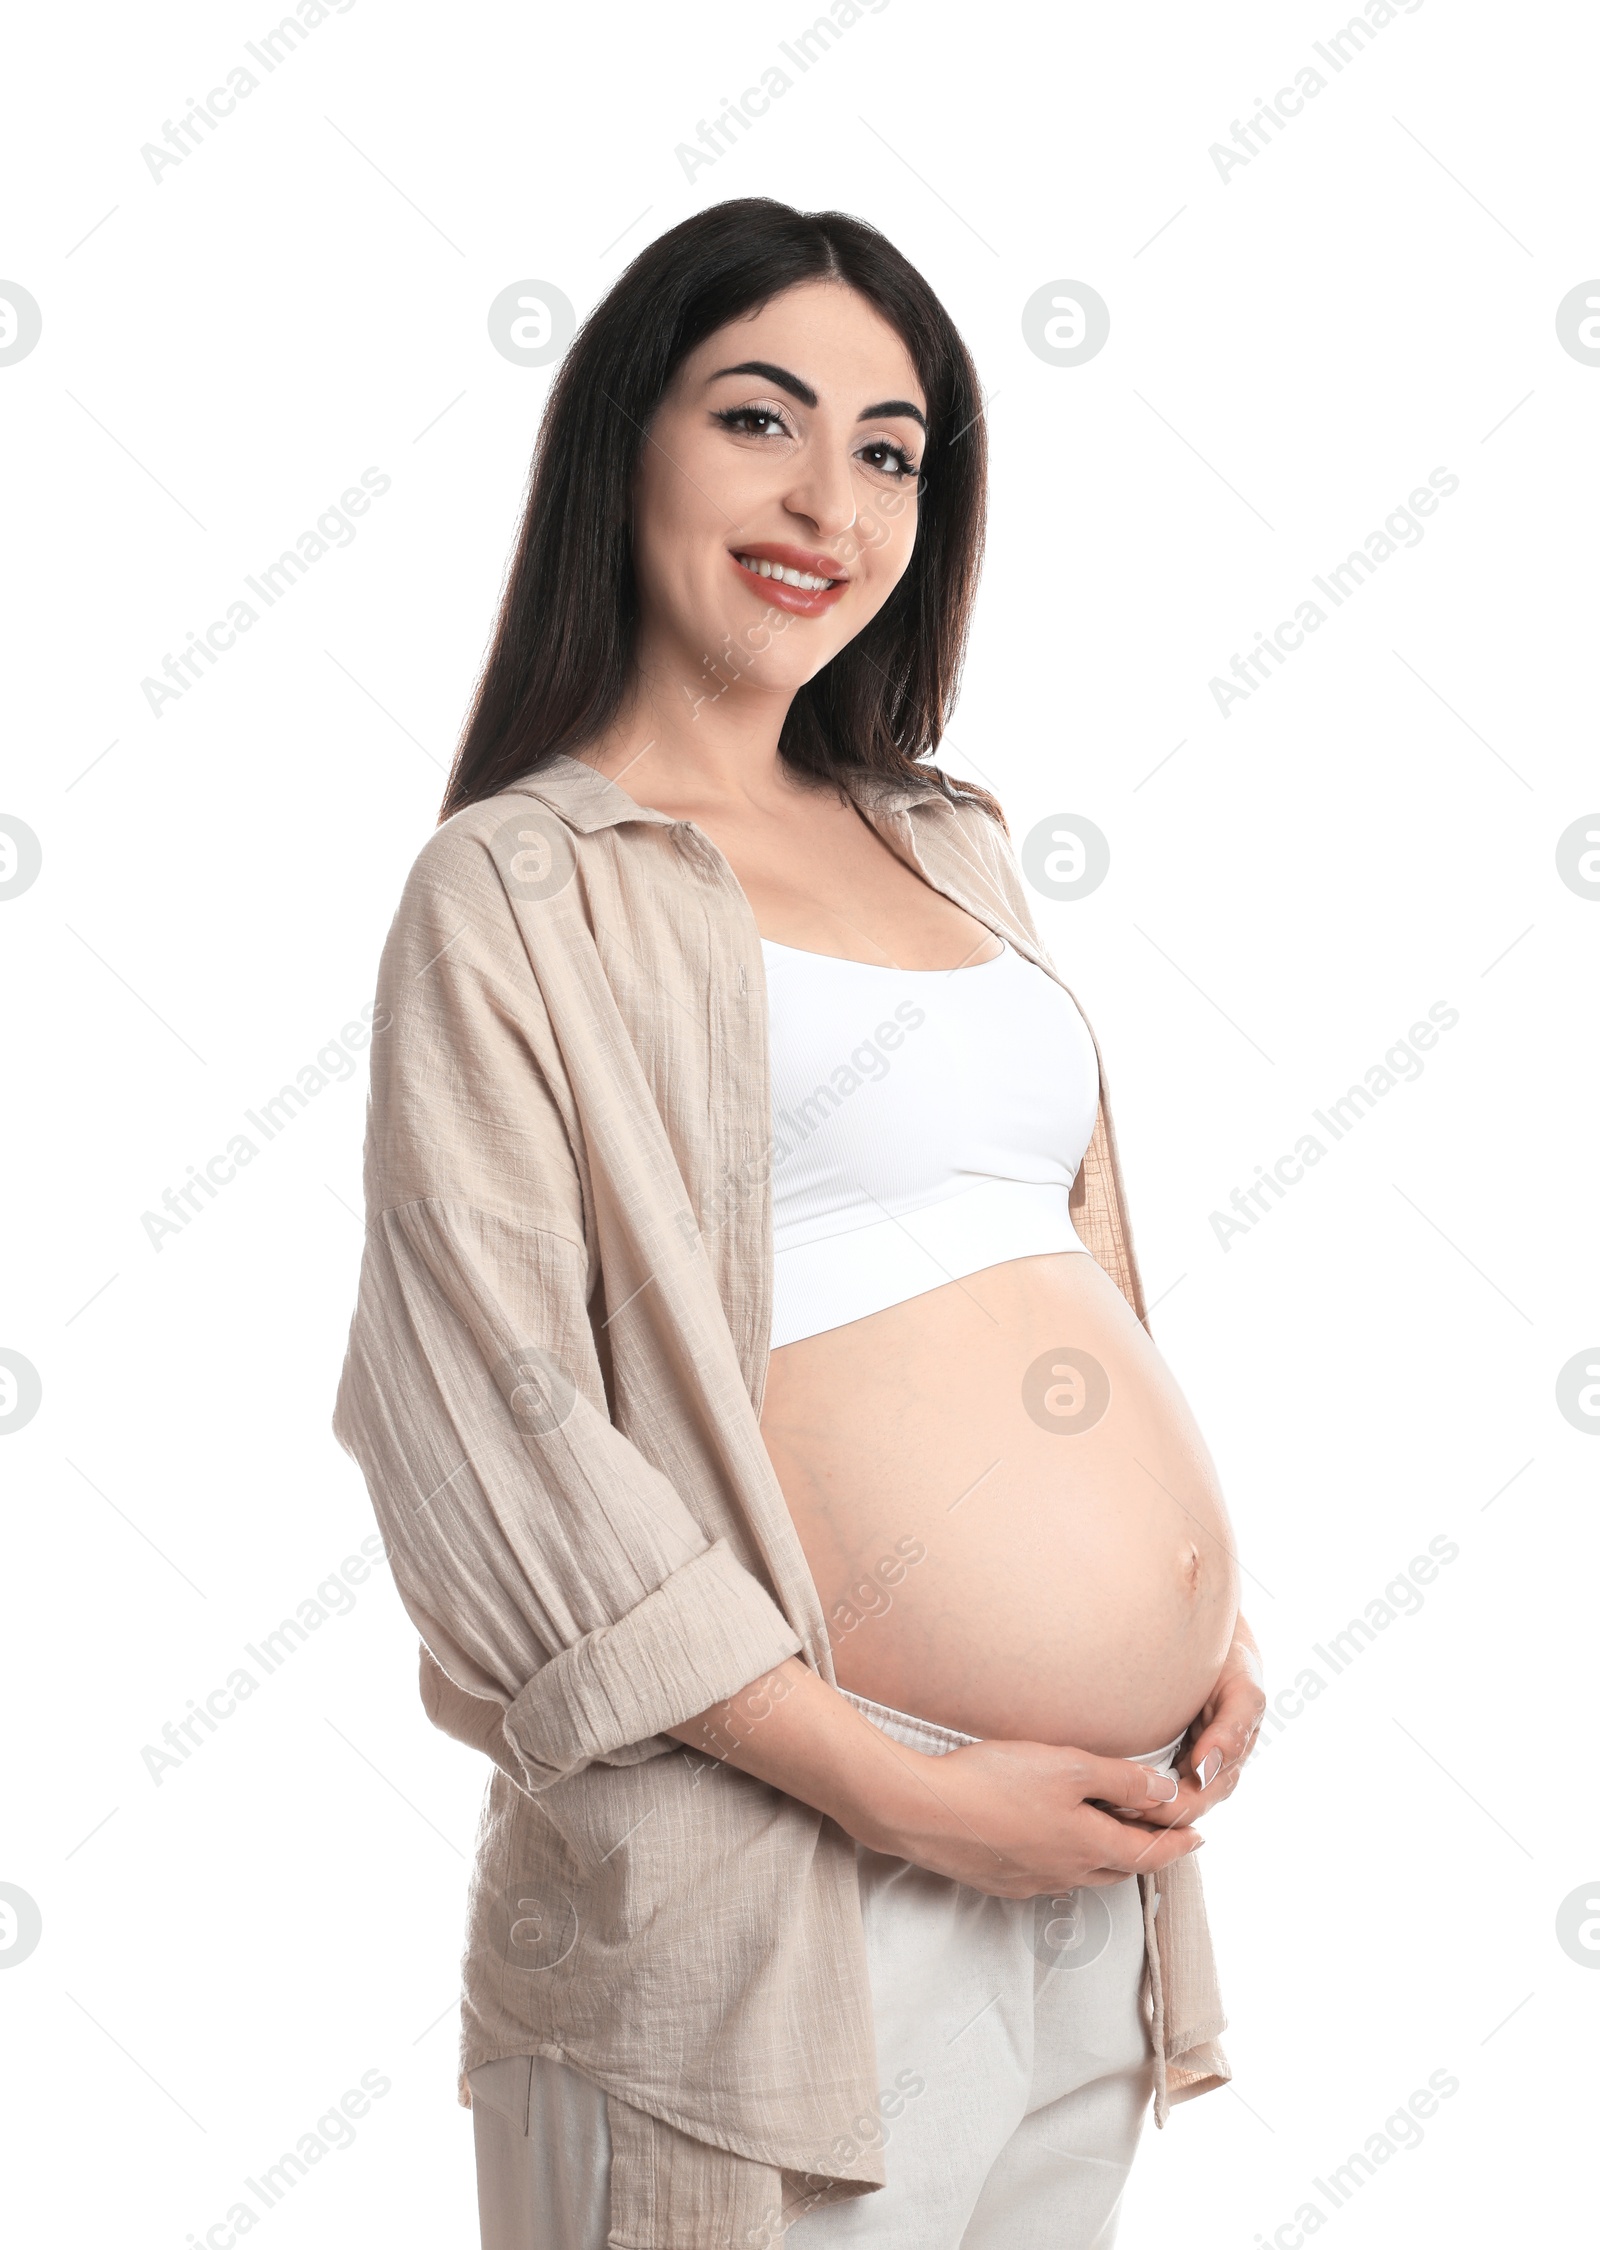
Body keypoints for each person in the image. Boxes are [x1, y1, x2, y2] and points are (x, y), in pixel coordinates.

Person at [333, 196, 1265, 2250]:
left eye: (888, 450)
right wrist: (898, 1784)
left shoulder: (951, 847)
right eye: (759, 419)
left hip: (1085, 1877)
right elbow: (479, 1428)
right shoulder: (515, 891)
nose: (824, 500)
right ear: (624, 446)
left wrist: (1191, 1641)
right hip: (765, 1895)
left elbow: (1046, 1274)